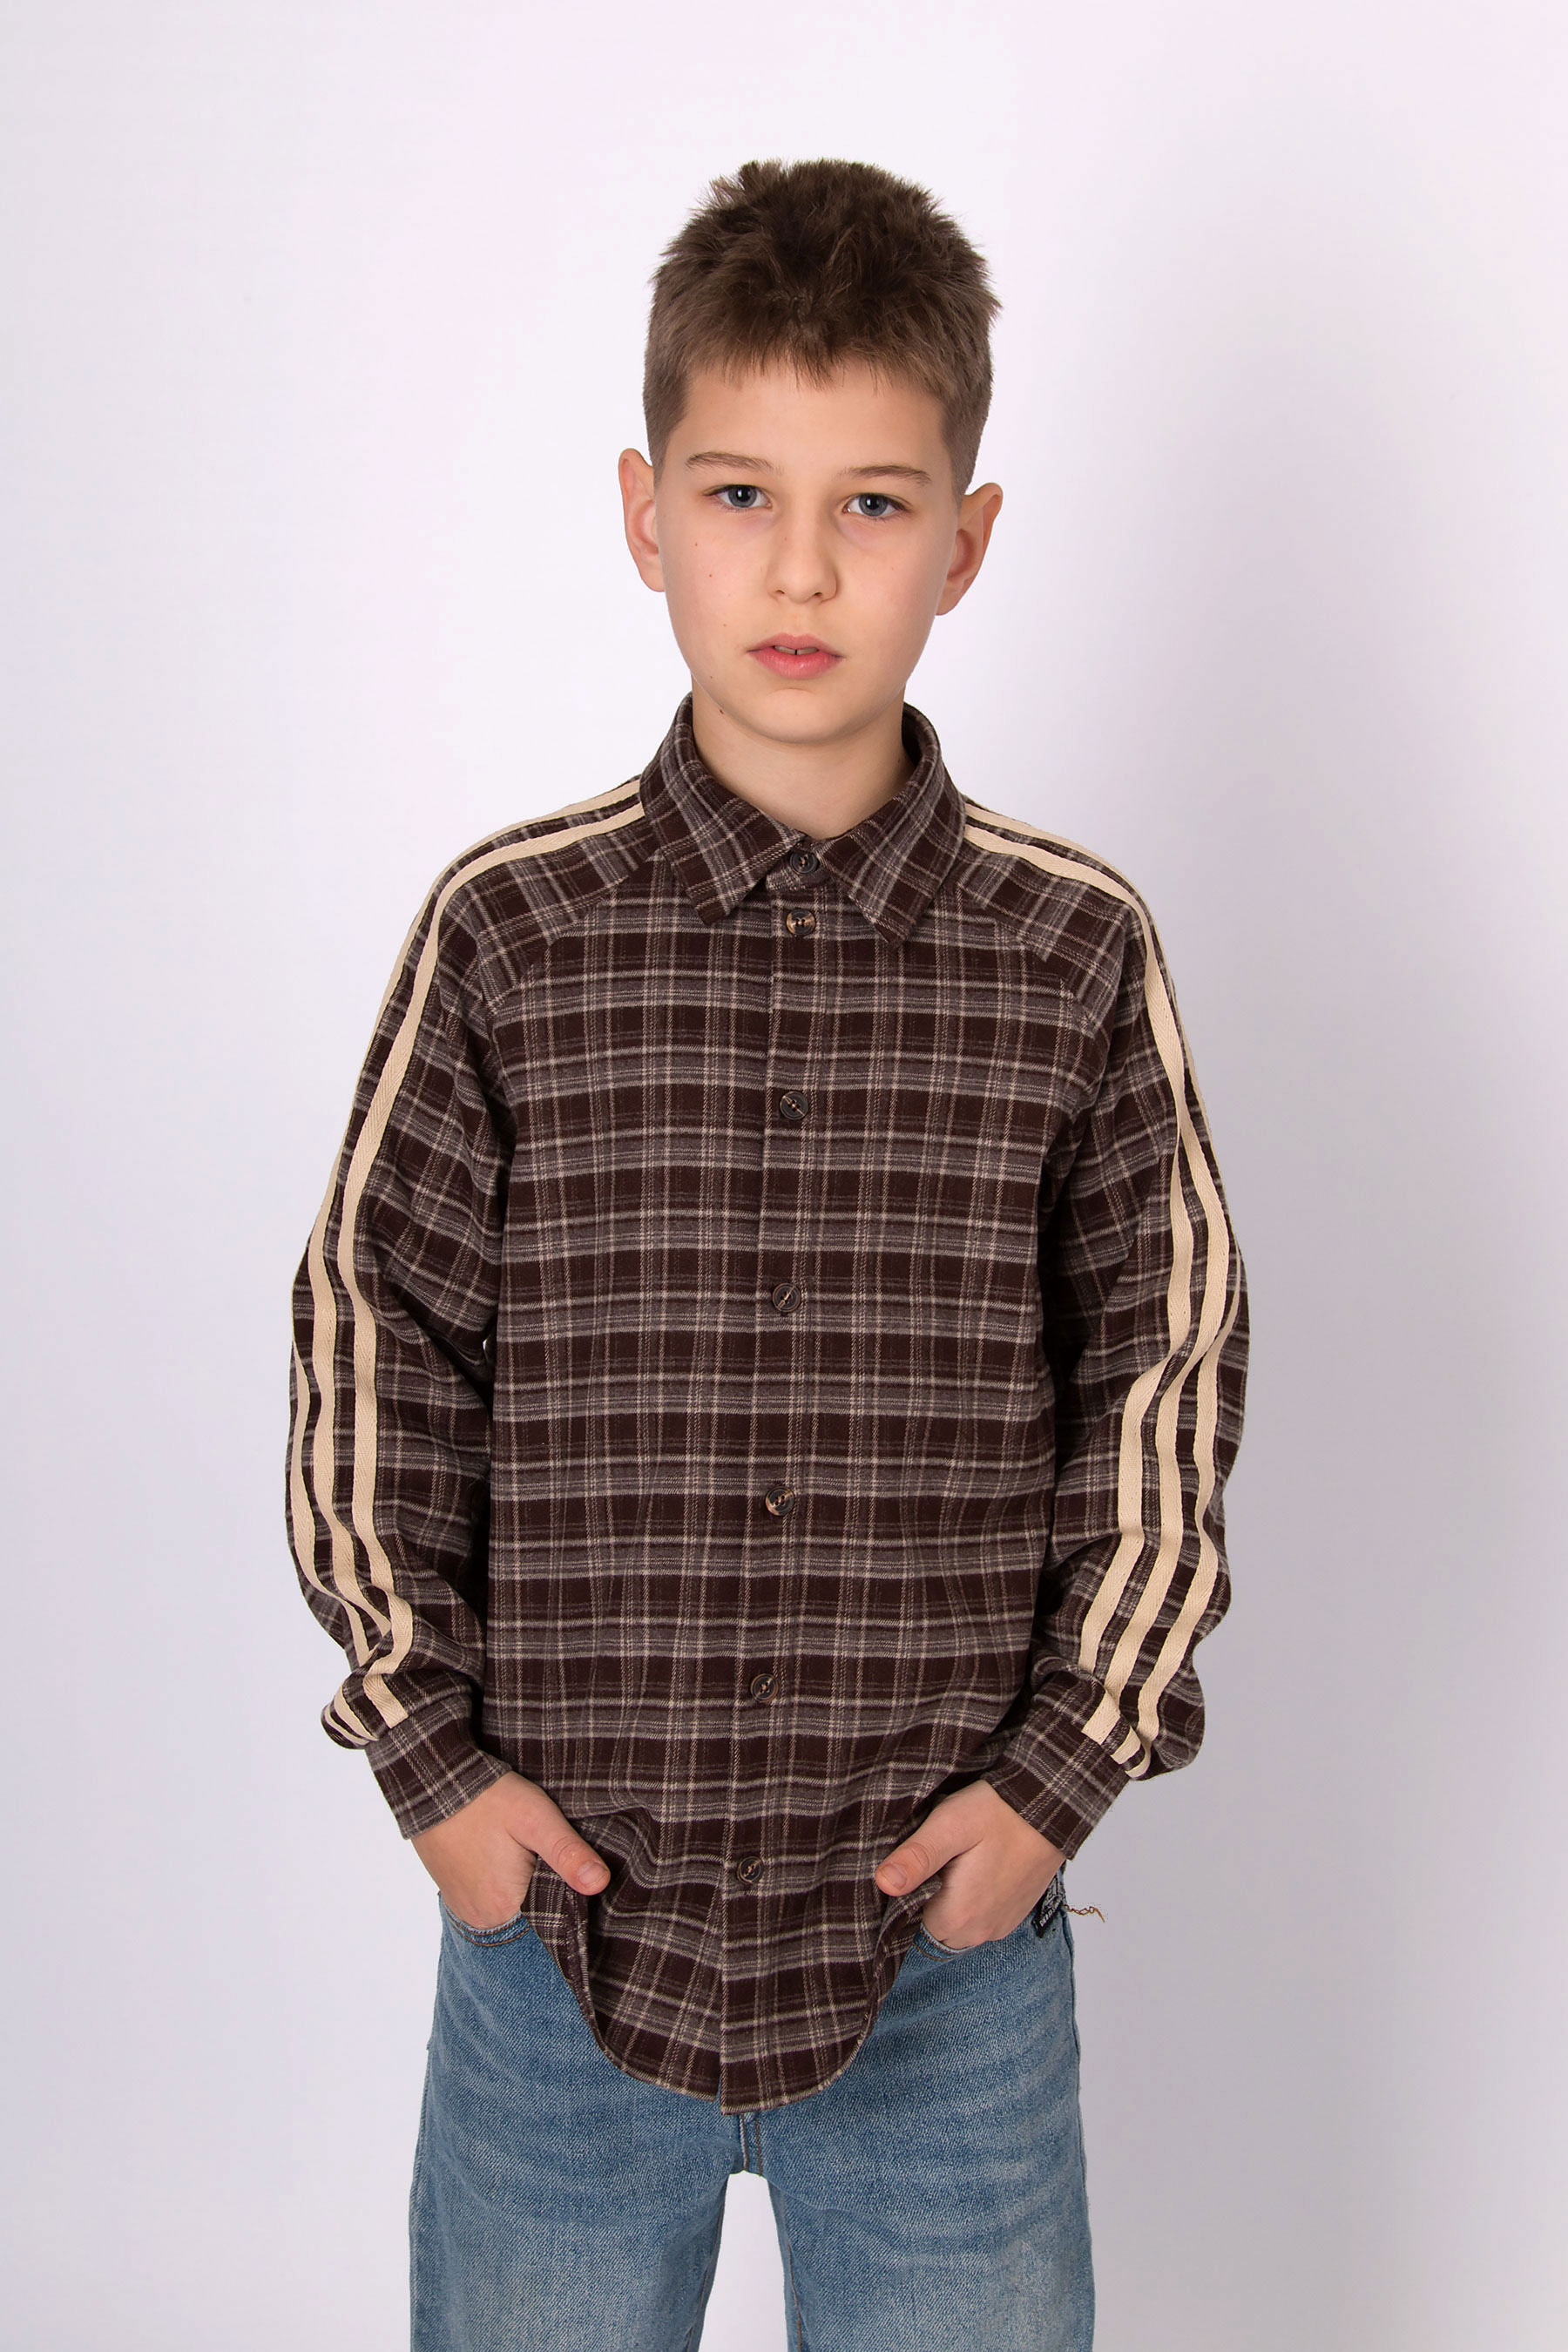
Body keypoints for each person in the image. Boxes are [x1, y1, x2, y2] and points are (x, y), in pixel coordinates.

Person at [286, 155, 1248, 2352]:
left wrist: (1059, 1779)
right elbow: (373, 1339)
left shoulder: (1071, 953)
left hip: (942, 1967)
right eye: (740, 495)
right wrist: (431, 1762)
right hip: (558, 1946)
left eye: (872, 505)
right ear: (647, 515)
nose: (800, 567)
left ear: (965, 541)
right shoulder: (512, 934)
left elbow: (1167, 1375)